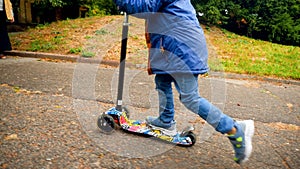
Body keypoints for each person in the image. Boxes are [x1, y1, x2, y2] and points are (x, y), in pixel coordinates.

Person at [113, 0, 254, 164]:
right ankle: (165, 121)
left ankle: (235, 130)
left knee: (190, 98)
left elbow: (145, 7)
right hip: (174, 47)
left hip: (182, 49)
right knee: (162, 81)